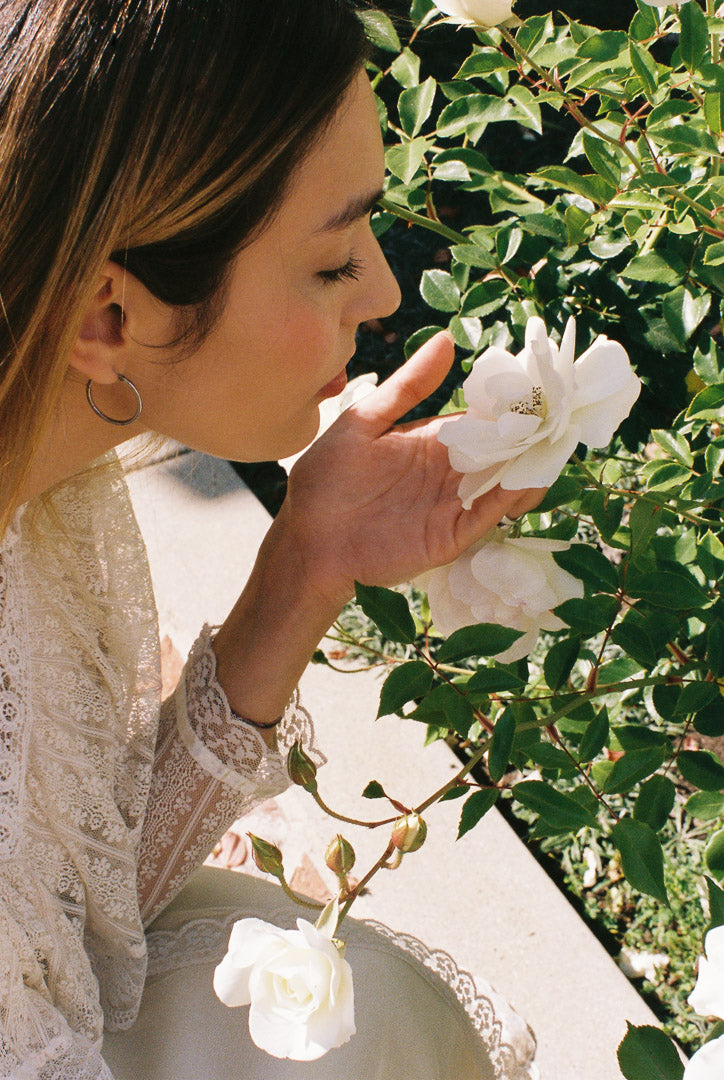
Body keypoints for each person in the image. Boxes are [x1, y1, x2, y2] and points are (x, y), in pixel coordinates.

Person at [0, 2, 542, 1076]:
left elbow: (79, 910)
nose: (386, 290)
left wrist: (307, 561)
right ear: (110, 317)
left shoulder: (41, 491)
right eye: (335, 259)